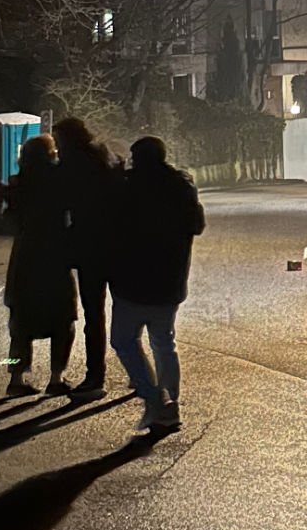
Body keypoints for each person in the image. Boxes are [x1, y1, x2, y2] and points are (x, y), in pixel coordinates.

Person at [110, 136, 205, 433]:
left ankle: (154, 397)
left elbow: (112, 226)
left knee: (124, 340)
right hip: (170, 278)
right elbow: (197, 225)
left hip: (132, 278)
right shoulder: (181, 185)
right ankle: (171, 404)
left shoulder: (127, 186)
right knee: (164, 341)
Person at [3, 134, 77, 397]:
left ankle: (15, 377)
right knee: (63, 322)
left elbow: (8, 220)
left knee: (19, 326)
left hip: (24, 258)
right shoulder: (58, 179)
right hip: (54, 256)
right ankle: (56, 376)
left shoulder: (18, 183)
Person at [54, 116, 123, 400]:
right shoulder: (103, 158)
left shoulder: (71, 166)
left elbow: (63, 201)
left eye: (58, 140)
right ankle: (137, 370)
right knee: (124, 310)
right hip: (116, 245)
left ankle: (95, 376)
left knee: (94, 314)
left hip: (88, 247)